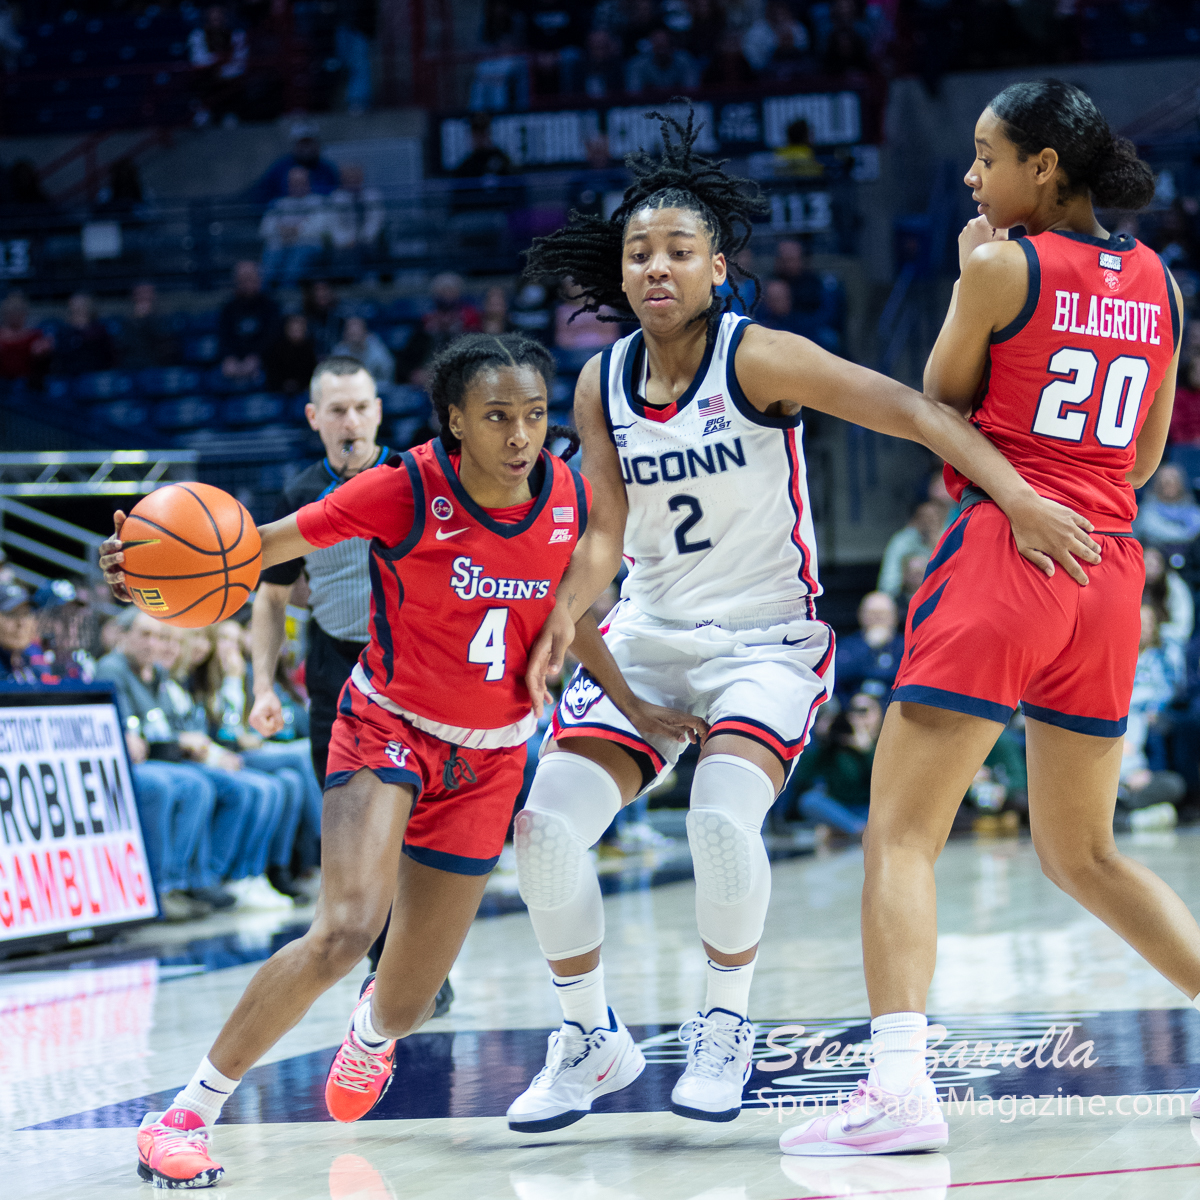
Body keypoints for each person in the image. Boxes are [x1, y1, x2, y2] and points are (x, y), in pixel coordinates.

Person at [505, 105, 1098, 1133]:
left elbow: (913, 410)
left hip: (764, 641)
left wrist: (1017, 498)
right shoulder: (601, 381)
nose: (655, 267)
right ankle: (587, 1037)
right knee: (545, 832)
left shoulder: (760, 357)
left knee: (719, 818)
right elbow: (603, 532)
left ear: (717, 267)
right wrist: (566, 607)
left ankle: (724, 1025)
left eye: (678, 250)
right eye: (639, 252)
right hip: (650, 633)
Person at [100, 332, 676, 1189]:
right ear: (456, 421)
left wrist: (632, 704)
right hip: (388, 726)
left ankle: (371, 1034)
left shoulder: (562, 495)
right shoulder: (403, 488)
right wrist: (150, 567)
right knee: (345, 929)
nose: (521, 434)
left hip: (491, 760)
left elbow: (566, 615)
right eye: (497, 417)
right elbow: (257, 546)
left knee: (408, 1004)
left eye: (533, 415)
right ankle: (184, 1113)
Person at [780, 79, 1192, 1157]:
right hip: (1106, 569)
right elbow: (1144, 457)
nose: (971, 176)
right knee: (1084, 853)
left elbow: (939, 402)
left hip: (1009, 552)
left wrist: (974, 276)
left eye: (986, 155)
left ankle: (898, 1091)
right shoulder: (1161, 281)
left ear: (1042, 167)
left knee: (901, 834)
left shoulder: (1004, 265)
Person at [260, 168, 329, 288]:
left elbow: (320, 227)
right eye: (294, 182)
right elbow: (265, 229)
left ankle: (287, 294)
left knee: (293, 264)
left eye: (301, 182)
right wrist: (282, 232)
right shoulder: (279, 204)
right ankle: (265, 293)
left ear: (308, 183)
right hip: (281, 245)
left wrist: (295, 231)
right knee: (270, 262)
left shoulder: (318, 201)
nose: (297, 186)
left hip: (307, 245)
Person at [835, 590, 904, 700]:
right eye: (872, 613)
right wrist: (869, 646)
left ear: (895, 616)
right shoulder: (847, 645)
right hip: (854, 704)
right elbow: (838, 674)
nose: (878, 618)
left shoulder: (906, 647)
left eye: (883, 613)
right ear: (861, 615)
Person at [251, 121, 341, 203]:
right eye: (302, 143)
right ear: (294, 145)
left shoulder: (327, 168)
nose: (307, 149)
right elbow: (261, 193)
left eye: (309, 143)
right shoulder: (279, 167)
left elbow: (336, 192)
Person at [219, 261, 279, 381]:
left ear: (259, 279)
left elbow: (272, 337)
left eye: (250, 278)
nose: (247, 283)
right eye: (242, 279)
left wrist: (257, 357)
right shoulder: (228, 308)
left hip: (264, 361)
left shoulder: (271, 307)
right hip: (235, 361)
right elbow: (224, 337)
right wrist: (229, 357)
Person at [1133, 462, 1200, 549]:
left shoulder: (1192, 509)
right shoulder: (1147, 510)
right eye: (1166, 482)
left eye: (1174, 481)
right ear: (1157, 485)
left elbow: (1196, 526)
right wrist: (1185, 533)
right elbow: (1153, 528)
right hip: (1157, 550)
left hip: (1189, 553)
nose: (1170, 485)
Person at [117, 282, 180, 371]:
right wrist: (137, 320)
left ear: (153, 296)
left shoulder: (164, 318)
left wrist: (148, 319)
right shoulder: (126, 320)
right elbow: (123, 345)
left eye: (146, 293)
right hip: (131, 365)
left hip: (156, 364)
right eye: (139, 294)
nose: (143, 297)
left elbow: (166, 345)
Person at [53, 292, 113, 376]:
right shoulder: (63, 330)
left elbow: (107, 355)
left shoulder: (100, 329)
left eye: (82, 304)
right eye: (75, 304)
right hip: (68, 374)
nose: (78, 308)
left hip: (95, 373)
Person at [0, 290, 51, 384]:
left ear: (25, 312)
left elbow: (42, 362)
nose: (15, 314)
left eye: (18, 310)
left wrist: (42, 354)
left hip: (27, 382)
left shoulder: (35, 335)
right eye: (11, 310)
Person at [264, 313, 319, 394]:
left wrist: (299, 385)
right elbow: (272, 375)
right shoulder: (276, 349)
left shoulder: (310, 349)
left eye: (299, 329)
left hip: (302, 392)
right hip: (278, 392)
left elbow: (311, 375)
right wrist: (284, 385)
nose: (296, 333)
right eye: (293, 329)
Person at [331, 315, 394, 385]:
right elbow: (334, 376)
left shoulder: (377, 349)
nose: (354, 337)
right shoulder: (340, 351)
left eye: (356, 333)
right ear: (345, 334)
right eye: (351, 334)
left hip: (375, 385)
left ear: (365, 332)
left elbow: (386, 374)